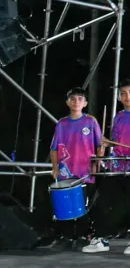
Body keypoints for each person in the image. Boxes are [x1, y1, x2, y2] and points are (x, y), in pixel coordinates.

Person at [83, 79, 130, 255]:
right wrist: (105, 142)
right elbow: (115, 141)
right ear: (119, 97)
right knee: (105, 200)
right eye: (123, 93)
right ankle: (101, 237)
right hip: (117, 163)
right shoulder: (118, 116)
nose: (128, 96)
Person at [50, 88, 103, 249]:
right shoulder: (62, 124)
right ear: (67, 102)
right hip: (66, 171)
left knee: (83, 205)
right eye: (72, 99)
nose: (76, 102)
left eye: (80, 99)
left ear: (85, 103)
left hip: (85, 172)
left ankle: (82, 236)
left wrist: (97, 162)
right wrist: (55, 167)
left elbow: (100, 145)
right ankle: (67, 237)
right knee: (66, 204)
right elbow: (54, 148)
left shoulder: (91, 121)